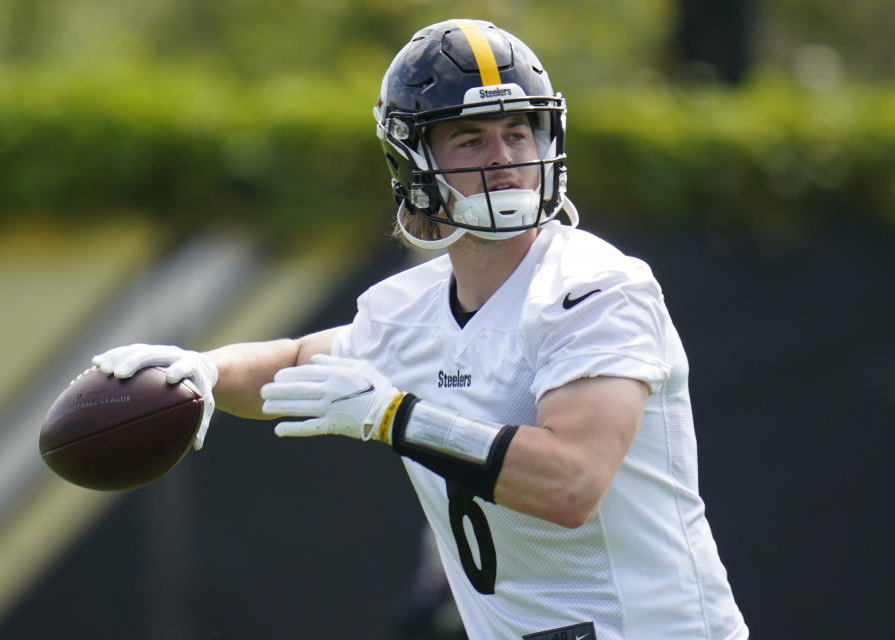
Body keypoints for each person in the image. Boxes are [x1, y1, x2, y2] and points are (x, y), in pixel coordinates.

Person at [93, 19, 749, 639]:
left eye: (518, 132)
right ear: (413, 161)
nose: (505, 158)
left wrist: (396, 418)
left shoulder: (596, 286)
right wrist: (200, 372)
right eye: (471, 139)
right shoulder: (412, 308)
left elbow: (571, 483)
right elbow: (293, 361)